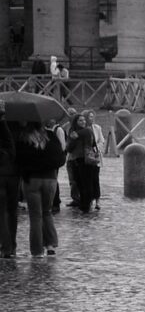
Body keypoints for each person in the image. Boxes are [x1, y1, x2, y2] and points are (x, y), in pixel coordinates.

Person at [15, 122, 65, 257]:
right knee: (47, 212)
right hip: (50, 179)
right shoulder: (51, 136)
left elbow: (18, 160)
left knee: (35, 216)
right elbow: (61, 158)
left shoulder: (24, 138)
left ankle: (37, 251)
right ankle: (50, 245)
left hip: (32, 180)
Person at [66, 114, 100, 213]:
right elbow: (70, 148)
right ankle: (84, 203)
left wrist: (75, 137)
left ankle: (85, 205)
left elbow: (69, 147)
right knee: (81, 182)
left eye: (84, 120)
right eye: (80, 120)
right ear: (76, 122)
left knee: (86, 183)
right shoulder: (83, 131)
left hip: (85, 159)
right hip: (78, 160)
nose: (83, 122)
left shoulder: (80, 132)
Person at [0, 101, 18, 258]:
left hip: (4, 176)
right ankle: (11, 245)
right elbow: (11, 149)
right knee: (12, 212)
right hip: (12, 175)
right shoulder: (15, 129)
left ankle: (6, 247)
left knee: (2, 213)